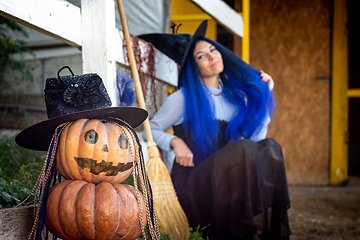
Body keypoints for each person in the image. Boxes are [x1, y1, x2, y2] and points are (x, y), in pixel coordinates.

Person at [139, 20, 290, 240]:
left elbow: (256, 143)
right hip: (194, 184)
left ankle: (262, 232)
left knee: (270, 147)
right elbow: (148, 130)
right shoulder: (181, 99)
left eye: (212, 49)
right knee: (245, 148)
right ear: (193, 67)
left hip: (225, 184)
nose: (211, 57)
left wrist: (264, 97)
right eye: (201, 56)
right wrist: (174, 141)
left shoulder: (234, 98)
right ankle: (243, 232)